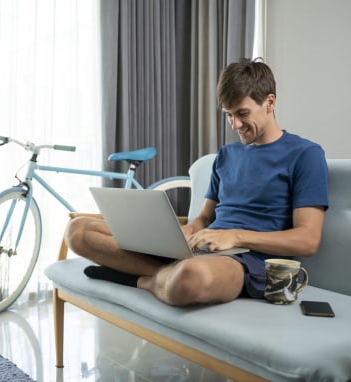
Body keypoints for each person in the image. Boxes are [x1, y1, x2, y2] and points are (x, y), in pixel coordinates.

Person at [64, 58, 329, 306]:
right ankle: (164, 275)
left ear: (269, 102)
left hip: (246, 262)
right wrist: (186, 233)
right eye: (228, 115)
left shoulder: (305, 155)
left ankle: (139, 279)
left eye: (242, 113)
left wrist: (234, 236)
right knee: (78, 231)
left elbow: (307, 240)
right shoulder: (227, 155)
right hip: (201, 250)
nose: (235, 124)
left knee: (188, 279)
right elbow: (204, 218)